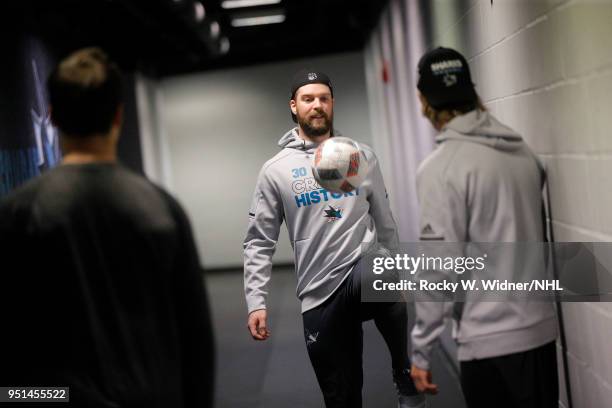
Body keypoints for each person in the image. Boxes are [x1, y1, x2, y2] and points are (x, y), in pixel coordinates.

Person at [0, 48, 214, 407]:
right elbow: (196, 339)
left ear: (51, 117)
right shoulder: (162, 208)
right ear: (119, 115)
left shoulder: (18, 212)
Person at [243, 69, 425, 408]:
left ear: (332, 104)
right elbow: (259, 240)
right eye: (308, 99)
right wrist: (257, 301)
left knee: (383, 268)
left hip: (360, 267)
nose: (317, 105)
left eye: (323, 98)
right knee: (341, 395)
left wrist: (398, 266)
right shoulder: (276, 170)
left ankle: (403, 374)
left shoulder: (360, 155)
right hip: (318, 292)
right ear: (294, 107)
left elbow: (384, 218)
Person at [409, 47, 559, 408]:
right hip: (540, 333)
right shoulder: (524, 153)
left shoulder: (441, 169)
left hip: (490, 342)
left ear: (425, 100)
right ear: (472, 92)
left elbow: (439, 268)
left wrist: (421, 349)